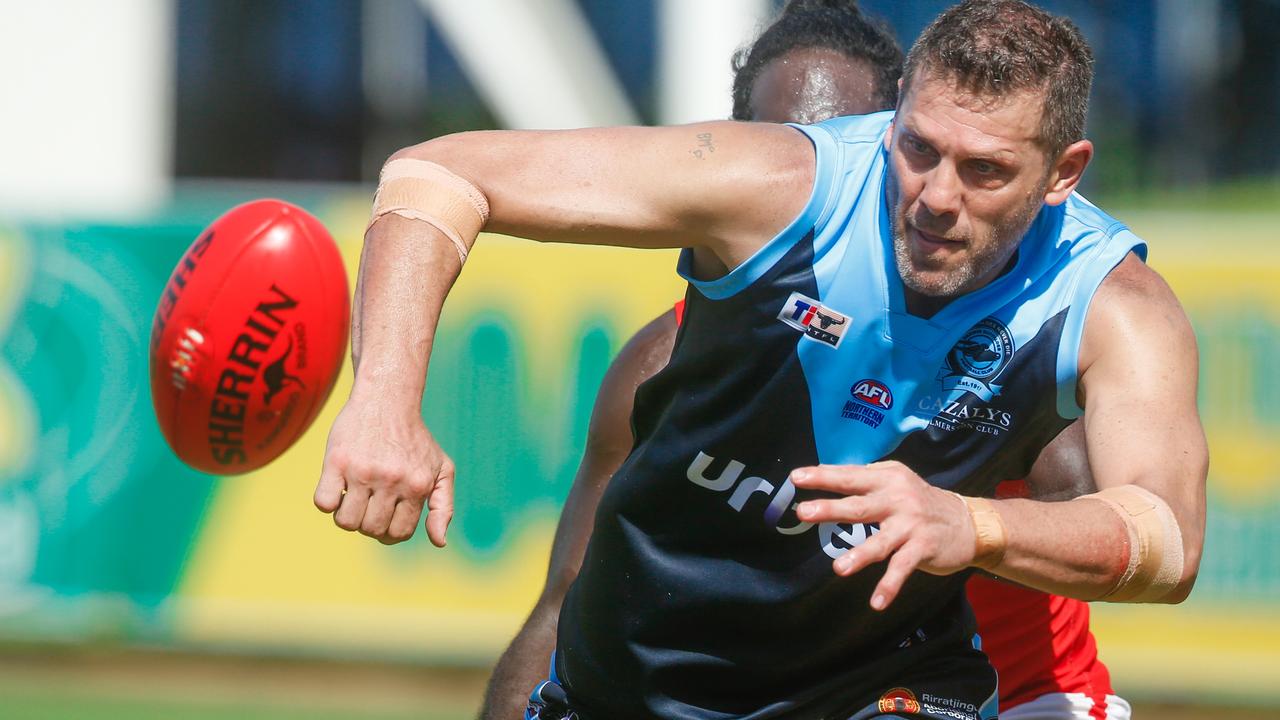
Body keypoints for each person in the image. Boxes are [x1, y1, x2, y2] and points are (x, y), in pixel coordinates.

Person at [316, 1, 1208, 717]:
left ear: (1064, 173)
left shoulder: (1112, 304)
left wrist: (969, 526)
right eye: (918, 150)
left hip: (886, 685)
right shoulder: (780, 187)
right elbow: (436, 177)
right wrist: (385, 403)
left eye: (984, 171)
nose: (935, 197)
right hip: (642, 678)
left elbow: (1167, 541)